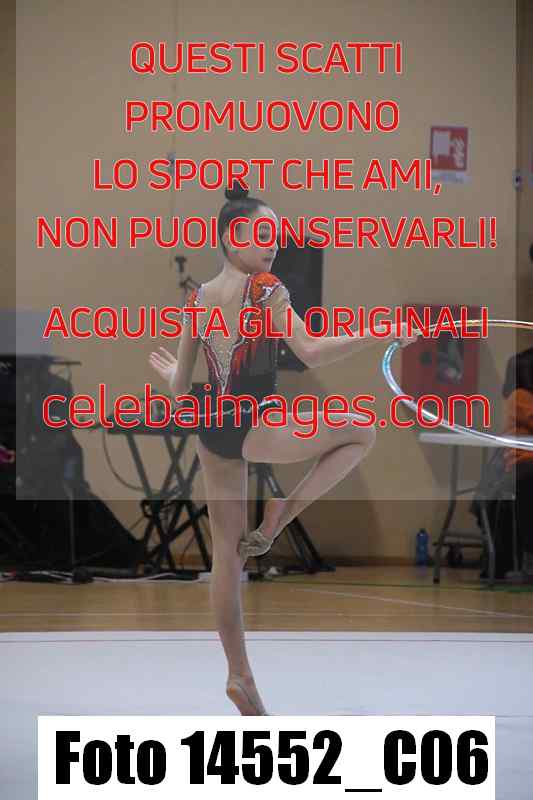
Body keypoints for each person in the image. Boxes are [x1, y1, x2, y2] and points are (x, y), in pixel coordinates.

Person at [149, 184, 416, 715]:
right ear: (234, 237)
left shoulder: (198, 298)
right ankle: (283, 513)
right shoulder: (265, 289)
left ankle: (239, 674)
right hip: (253, 421)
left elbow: (180, 389)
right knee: (362, 430)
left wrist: (172, 373)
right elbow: (310, 351)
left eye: (277, 235)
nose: (274, 244)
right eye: (263, 234)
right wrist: (381, 330)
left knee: (226, 558)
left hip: (212, 423)